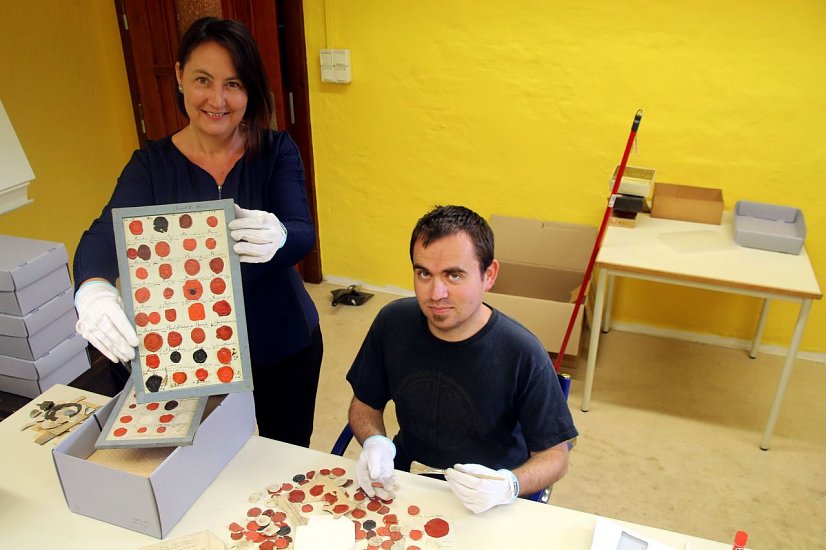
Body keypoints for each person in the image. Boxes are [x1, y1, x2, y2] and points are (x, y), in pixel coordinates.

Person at [72, 17, 322, 447]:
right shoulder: (152, 165)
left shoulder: (276, 150)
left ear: (251, 90)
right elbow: (103, 234)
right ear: (179, 76)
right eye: (203, 80)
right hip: (191, 350)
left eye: (235, 84)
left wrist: (280, 235)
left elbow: (302, 231)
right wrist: (92, 290)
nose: (218, 100)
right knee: (207, 458)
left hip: (282, 341)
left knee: (286, 452)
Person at [346, 205, 578, 513]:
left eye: (454, 275)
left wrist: (509, 484)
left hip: (487, 496)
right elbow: (364, 406)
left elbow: (555, 456)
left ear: (489, 275)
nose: (435, 293)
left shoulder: (522, 351)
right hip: (405, 480)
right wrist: (375, 442)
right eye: (423, 273)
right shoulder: (392, 322)